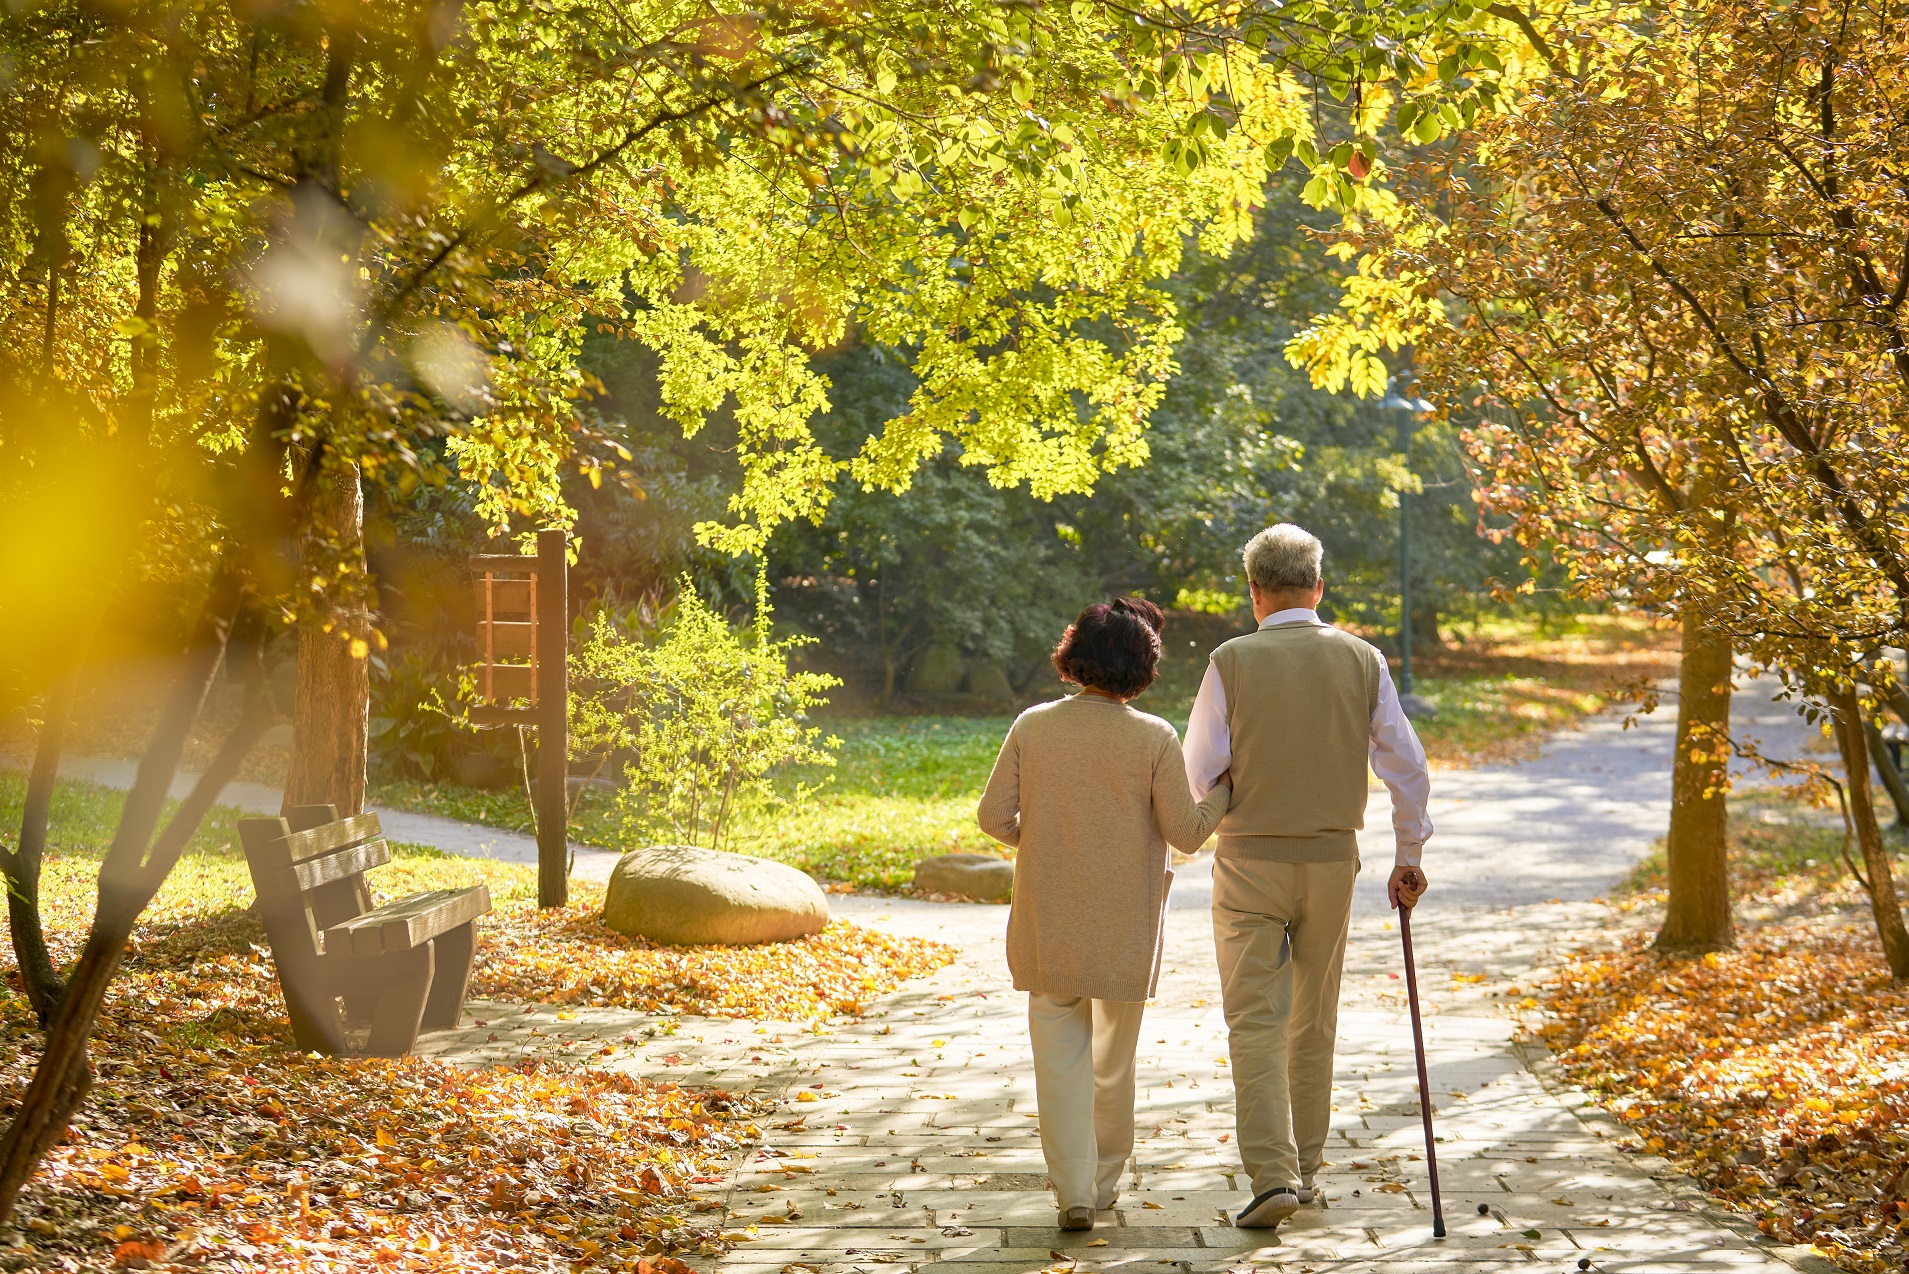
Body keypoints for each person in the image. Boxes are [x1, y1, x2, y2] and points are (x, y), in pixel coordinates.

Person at [1183, 524, 1433, 1229]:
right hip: (1330, 863)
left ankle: (1272, 1175)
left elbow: (1197, 769)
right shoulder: (1362, 660)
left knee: (1253, 1020)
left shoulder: (1231, 660)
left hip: (1248, 861)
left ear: (1254, 592)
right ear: (1318, 587)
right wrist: (1407, 853)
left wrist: (1180, 842)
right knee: (1312, 1018)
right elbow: (1404, 766)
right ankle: (1309, 1170)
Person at [977, 598, 1232, 1232]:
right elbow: (1186, 831)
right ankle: (1105, 1180)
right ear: (1142, 668)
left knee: (1057, 1057)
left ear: (1074, 656)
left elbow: (992, 817)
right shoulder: (1153, 737)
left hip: (1050, 918)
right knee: (1113, 1060)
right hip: (1124, 923)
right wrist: (1225, 791)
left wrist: (1039, 841)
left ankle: (1072, 1192)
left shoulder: (1032, 726)